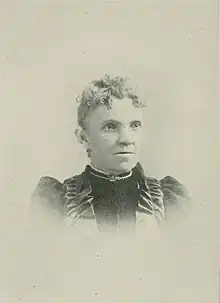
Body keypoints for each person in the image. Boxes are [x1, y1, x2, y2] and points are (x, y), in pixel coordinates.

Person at [31, 74, 190, 233]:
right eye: (110, 127)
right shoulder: (58, 202)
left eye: (134, 125)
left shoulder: (167, 200)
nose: (126, 140)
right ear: (83, 138)